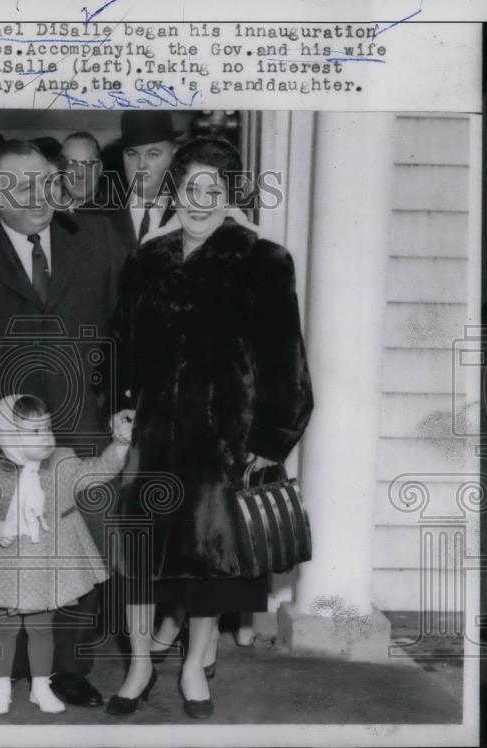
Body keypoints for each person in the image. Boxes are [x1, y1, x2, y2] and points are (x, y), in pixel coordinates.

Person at [108, 137, 314, 718]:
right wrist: (121, 402)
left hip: (223, 440)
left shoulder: (262, 260)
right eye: (189, 187)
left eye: (213, 190)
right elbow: (121, 341)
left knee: (207, 561)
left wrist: (270, 442)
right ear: (173, 190)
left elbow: (287, 362)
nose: (199, 201)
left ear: (231, 195)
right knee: (140, 554)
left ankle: (197, 663)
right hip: (151, 436)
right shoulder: (148, 258)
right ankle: (140, 664)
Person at [0, 139, 129, 708]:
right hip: (5, 437)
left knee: (78, 549)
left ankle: (70, 667)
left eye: (47, 180)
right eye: (22, 184)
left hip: (84, 426)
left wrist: (116, 402)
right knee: (7, 549)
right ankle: (8, 662)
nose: (40, 193)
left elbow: (121, 329)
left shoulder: (97, 241)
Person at [0, 394, 134, 715]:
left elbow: (100, 469)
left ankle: (41, 687)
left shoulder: (63, 461)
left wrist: (120, 444)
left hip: (49, 567)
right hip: (7, 568)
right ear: (7, 439)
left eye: (47, 427)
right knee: (4, 630)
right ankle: (1, 686)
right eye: (33, 431)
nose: (45, 436)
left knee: (42, 629)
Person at [101, 111, 181, 255]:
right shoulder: (97, 215)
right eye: (132, 154)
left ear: (174, 154)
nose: (141, 165)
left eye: (153, 154)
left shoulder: (190, 215)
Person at [61, 132, 105, 210]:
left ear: (99, 169)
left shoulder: (116, 217)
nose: (80, 174)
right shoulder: (46, 214)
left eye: (88, 163)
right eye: (70, 163)